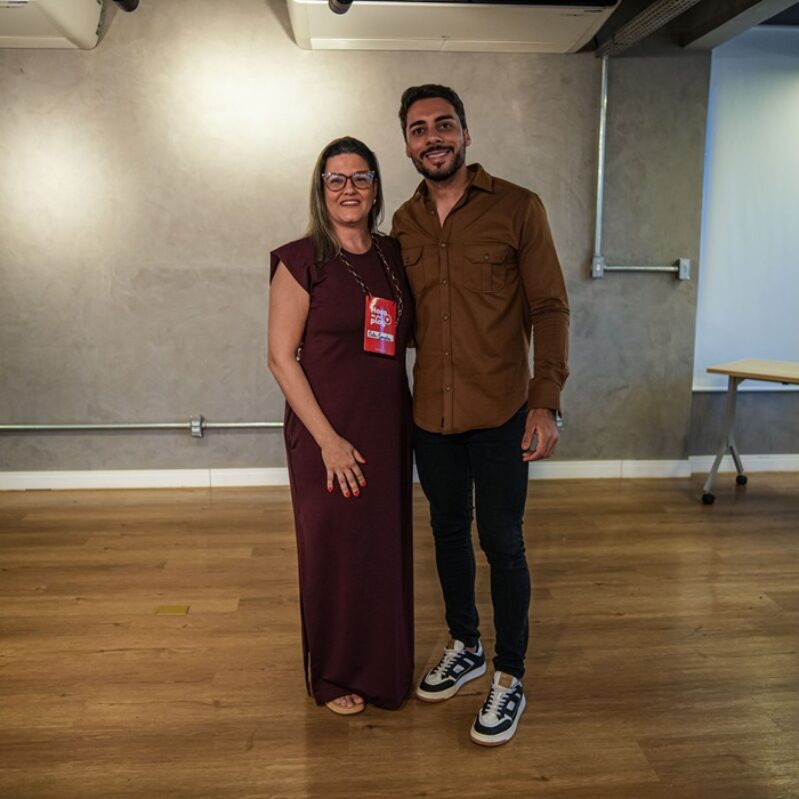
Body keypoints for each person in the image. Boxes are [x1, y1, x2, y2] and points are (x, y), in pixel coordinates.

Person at [392, 85, 570, 745]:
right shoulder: (403, 223)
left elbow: (549, 307)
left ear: (465, 134)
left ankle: (509, 673)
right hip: (431, 417)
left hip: (501, 411)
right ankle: (465, 644)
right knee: (446, 532)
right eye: (418, 129)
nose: (432, 137)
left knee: (502, 541)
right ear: (407, 144)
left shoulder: (518, 207)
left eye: (444, 124)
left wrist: (544, 401)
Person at [268, 137, 414, 715]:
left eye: (360, 177)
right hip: (326, 433)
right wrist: (328, 442)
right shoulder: (301, 260)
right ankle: (333, 675)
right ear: (320, 188)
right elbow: (281, 358)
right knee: (335, 552)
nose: (348, 188)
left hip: (386, 428)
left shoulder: (393, 254)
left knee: (380, 550)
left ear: (376, 187)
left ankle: (382, 669)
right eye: (336, 179)